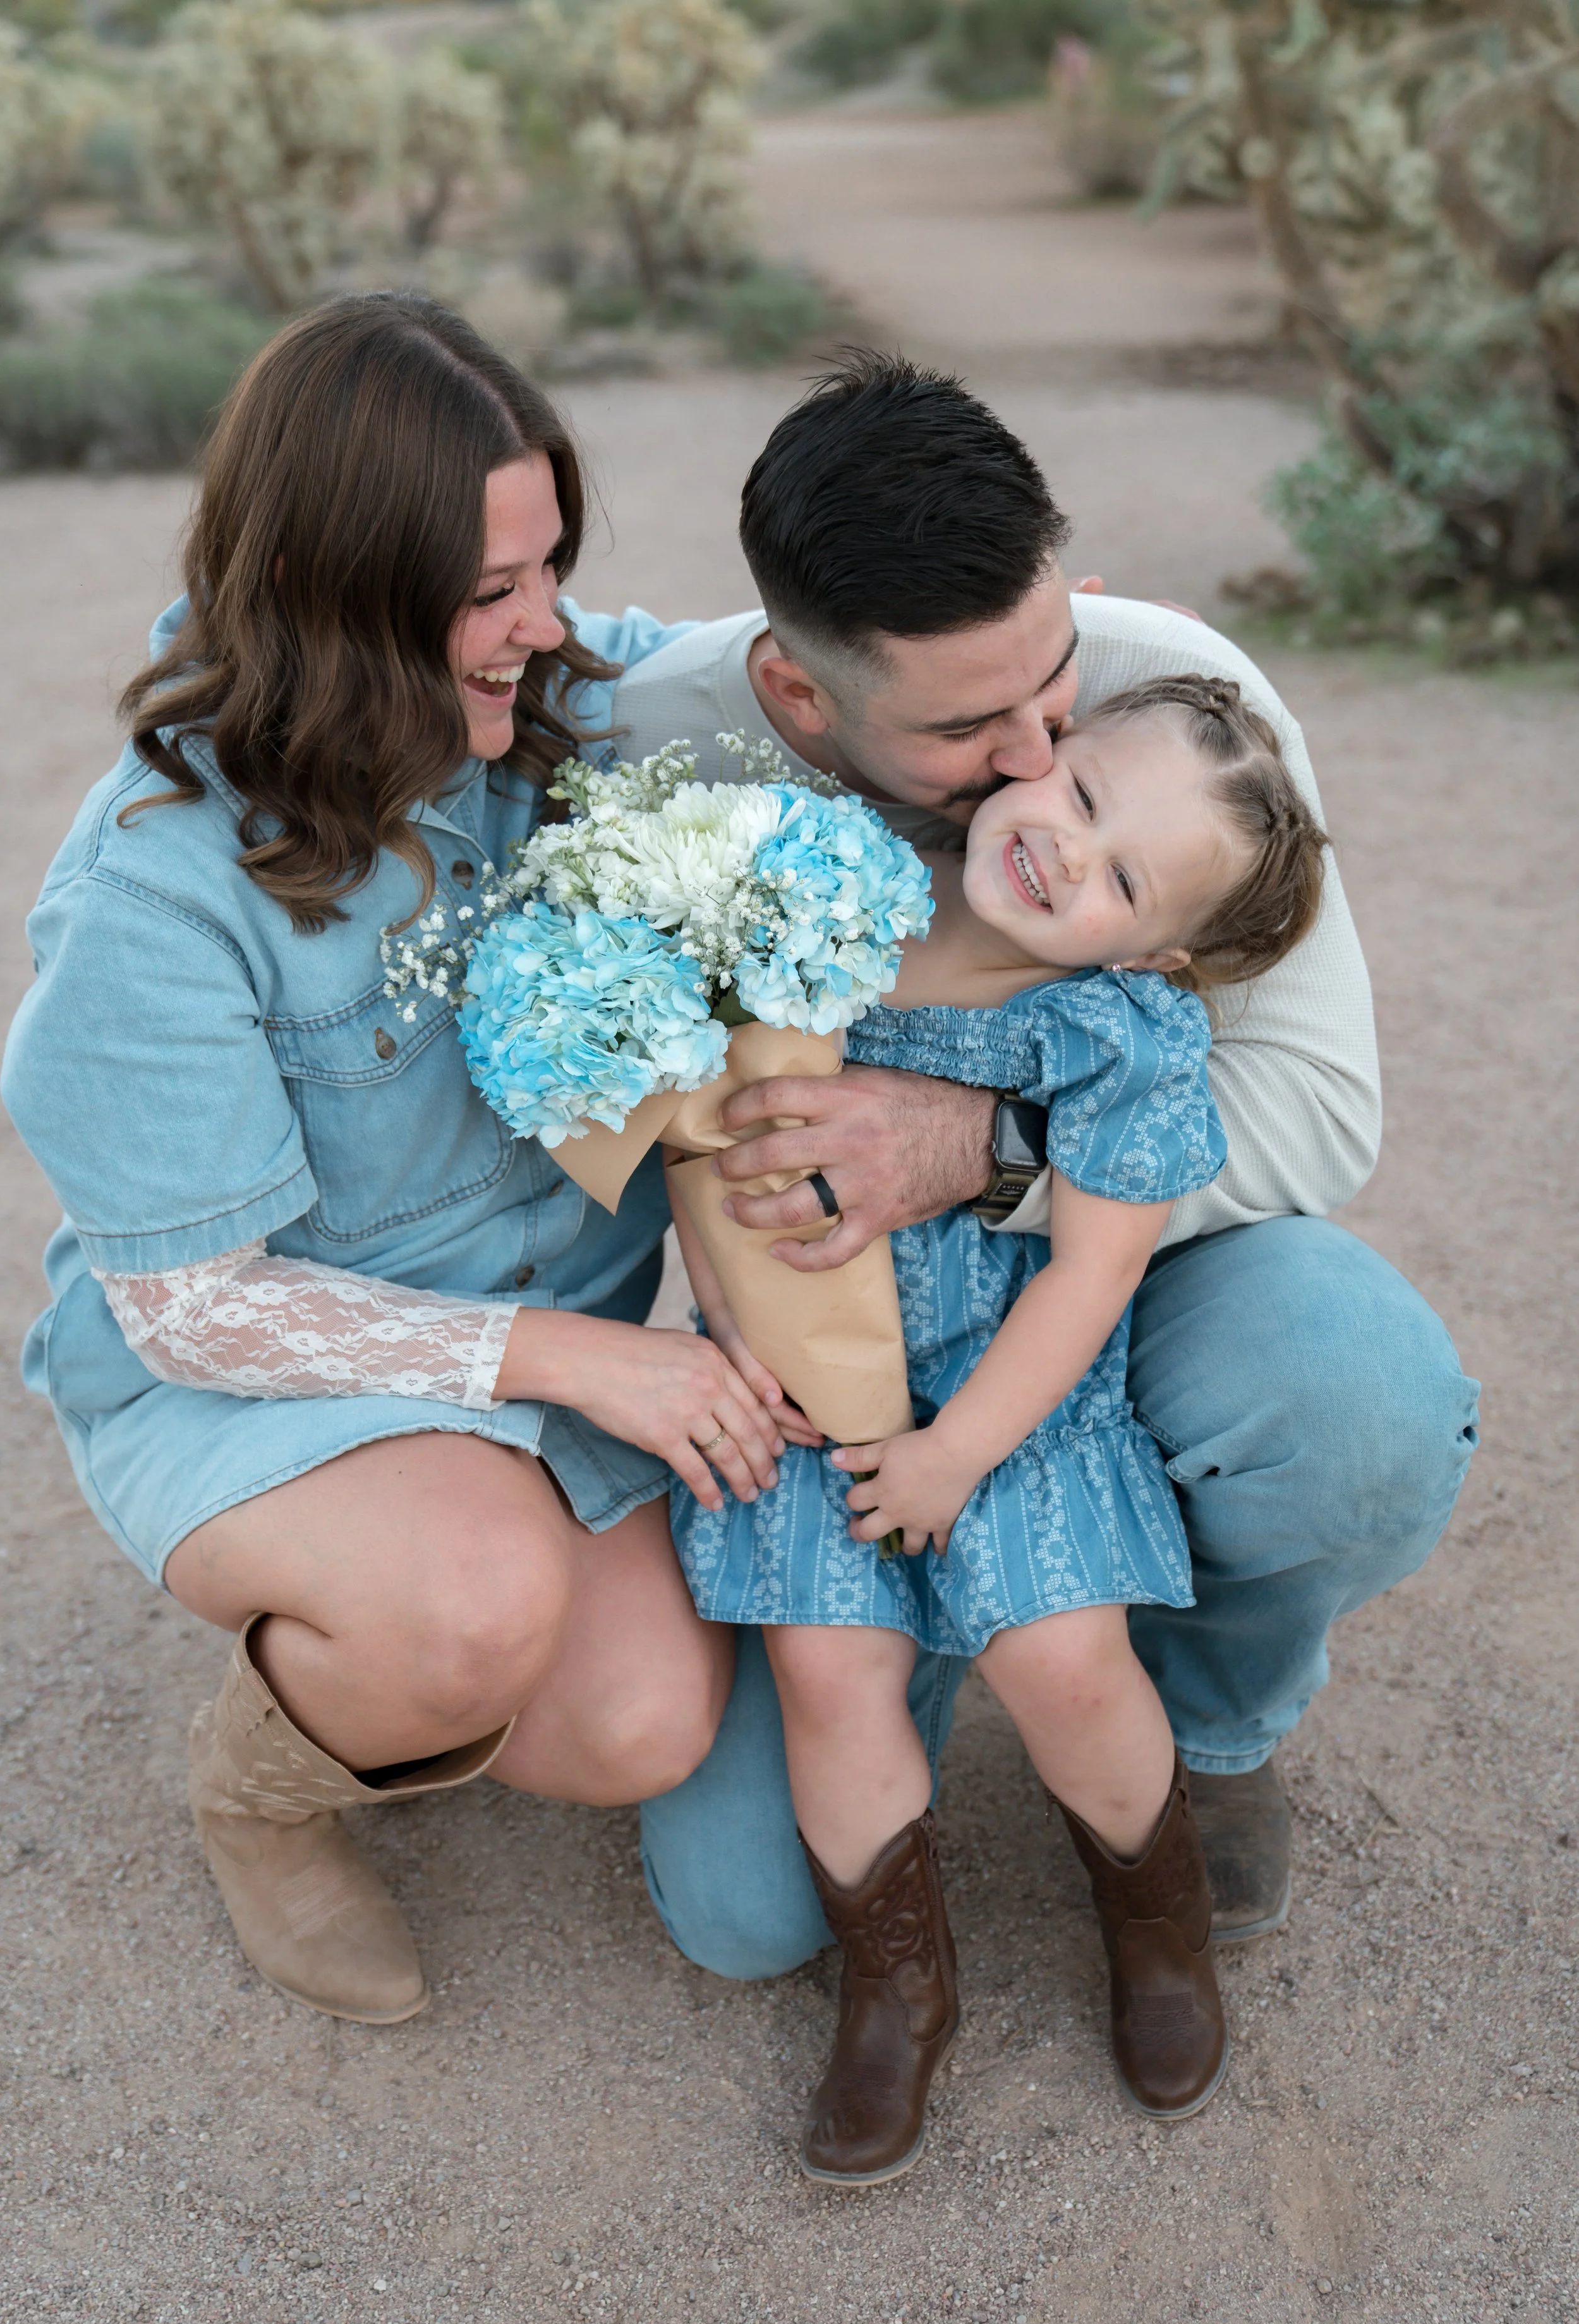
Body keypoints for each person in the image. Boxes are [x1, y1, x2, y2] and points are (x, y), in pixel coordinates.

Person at [615, 352, 1480, 1976]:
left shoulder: (1173, 703)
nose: (1035, 756)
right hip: (832, 1362)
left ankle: (1206, 1723)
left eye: (1054, 680)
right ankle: (920, 1679)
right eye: (968, 726)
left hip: (1098, 1290)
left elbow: (1317, 1107)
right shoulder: (670, 751)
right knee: (745, 1920)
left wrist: (982, 1145)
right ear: (801, 698)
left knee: (1353, 1398)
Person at [0, 293, 787, 2025]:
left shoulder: (553, 709)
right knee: (470, 1605)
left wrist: (996, 642)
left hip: (532, 1369)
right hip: (248, 1375)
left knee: (637, 1720)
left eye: (551, 567)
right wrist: (581, 1357)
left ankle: (435, 1601)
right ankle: (262, 1793)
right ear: (341, 591)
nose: (548, 625)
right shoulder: (151, 890)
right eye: (493, 592)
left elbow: (753, 667)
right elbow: (198, 1311)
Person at [669, 675, 1328, 2177]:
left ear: (1155, 947)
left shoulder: (1116, 1032)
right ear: (1042, 750)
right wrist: (724, 1325)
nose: (1063, 854)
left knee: (1060, 1658)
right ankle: (898, 1981)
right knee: (828, 1670)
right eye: (1081, 799)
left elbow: (1091, 1275)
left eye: (1119, 877)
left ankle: (1155, 1924)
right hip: (807, 1391)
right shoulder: (828, 907)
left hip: (1008, 1403)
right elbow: (703, 1151)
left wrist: (958, 1450)